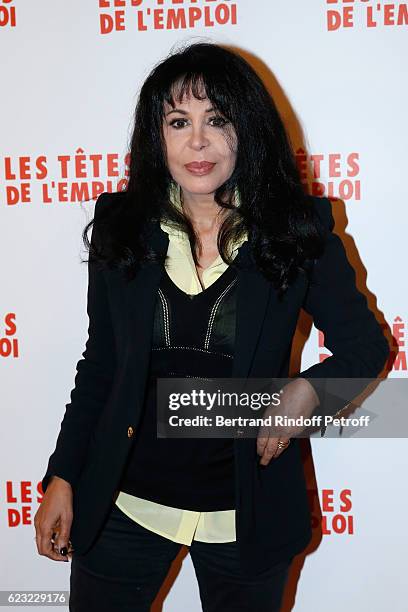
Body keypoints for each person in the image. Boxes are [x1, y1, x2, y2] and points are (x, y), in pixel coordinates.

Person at [34, 42, 389, 611]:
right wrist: (63, 475)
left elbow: (368, 345)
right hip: (125, 505)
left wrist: (310, 390)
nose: (197, 142)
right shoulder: (121, 227)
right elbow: (101, 364)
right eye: (179, 122)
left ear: (246, 131)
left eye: (217, 120)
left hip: (247, 516)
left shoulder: (297, 232)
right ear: (158, 137)